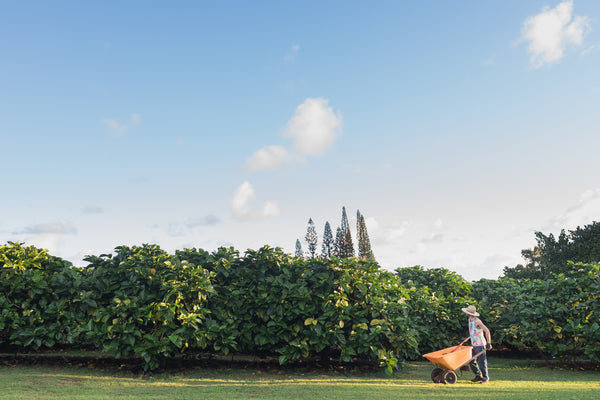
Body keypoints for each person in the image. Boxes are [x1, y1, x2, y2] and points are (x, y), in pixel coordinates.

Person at [462, 305, 492, 384]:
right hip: (473, 344)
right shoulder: (470, 320)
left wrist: (488, 343)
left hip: (480, 345)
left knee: (482, 362)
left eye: (467, 312)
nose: (465, 313)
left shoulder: (477, 321)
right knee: (471, 360)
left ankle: (485, 379)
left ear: (470, 313)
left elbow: (487, 331)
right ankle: (478, 375)